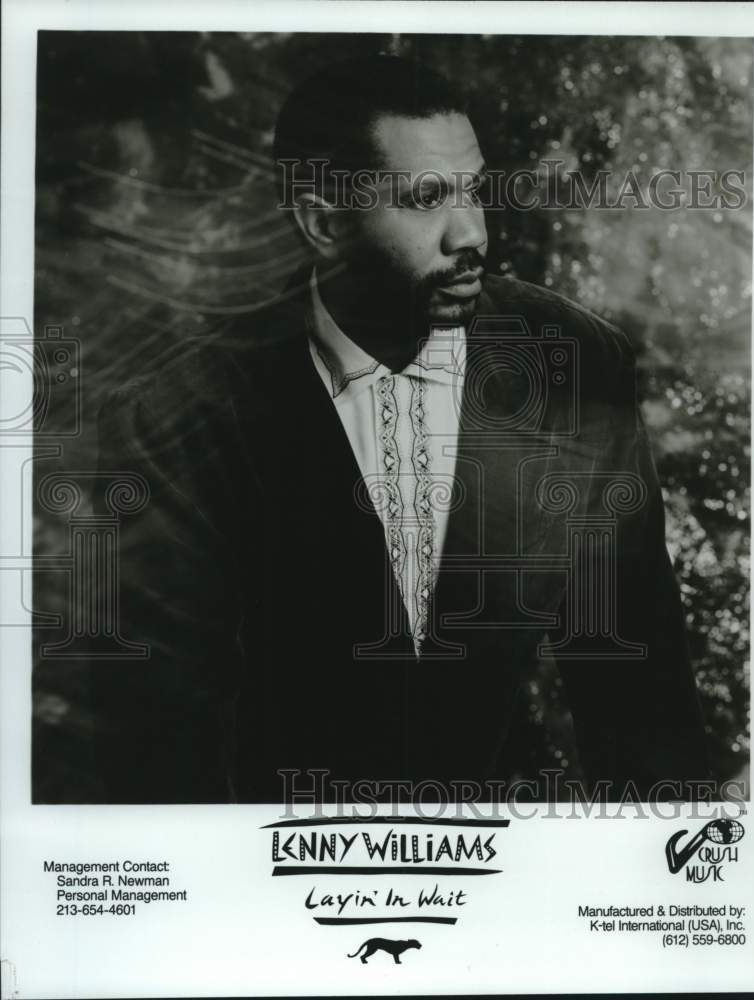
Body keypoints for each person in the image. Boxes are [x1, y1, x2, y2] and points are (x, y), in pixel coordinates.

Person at [90, 54, 709, 804]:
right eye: (425, 199)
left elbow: (638, 694)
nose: (471, 234)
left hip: (503, 863)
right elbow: (154, 737)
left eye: (474, 190)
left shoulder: (574, 364)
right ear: (323, 223)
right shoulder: (186, 409)